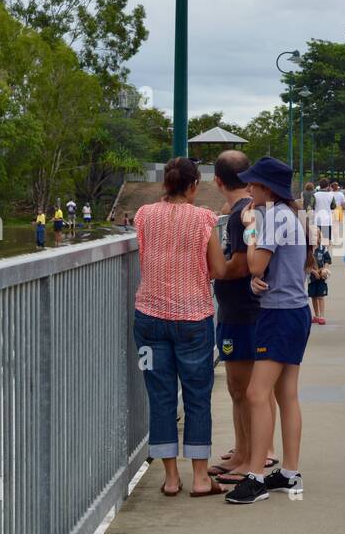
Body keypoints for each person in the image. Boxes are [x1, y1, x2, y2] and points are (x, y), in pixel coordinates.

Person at [133, 156, 229, 497]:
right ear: (193, 186)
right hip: (193, 320)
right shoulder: (205, 218)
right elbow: (217, 269)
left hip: (148, 318)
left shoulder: (144, 215)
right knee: (197, 395)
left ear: (165, 184)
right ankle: (201, 477)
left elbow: (145, 252)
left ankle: (171, 478)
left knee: (158, 396)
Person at [227, 156, 314, 505]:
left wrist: (249, 228)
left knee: (255, 394)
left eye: (253, 184)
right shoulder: (289, 215)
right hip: (294, 311)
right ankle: (289, 473)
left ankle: (256, 476)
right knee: (286, 394)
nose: (248, 189)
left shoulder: (274, 217)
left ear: (267, 188)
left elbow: (254, 264)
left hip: (278, 316)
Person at [207, 150, 275, 486]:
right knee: (238, 389)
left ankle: (250, 457)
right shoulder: (247, 211)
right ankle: (242, 450)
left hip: (243, 312)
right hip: (243, 311)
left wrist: (212, 267)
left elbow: (240, 265)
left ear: (217, 181)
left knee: (243, 388)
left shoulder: (241, 216)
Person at [308, 229, 332, 324]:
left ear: (319, 237)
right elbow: (305, 264)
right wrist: (314, 272)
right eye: (312, 236)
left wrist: (324, 270)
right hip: (311, 277)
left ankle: (322, 316)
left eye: (316, 236)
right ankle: (316, 315)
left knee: (321, 296)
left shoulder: (323, 249)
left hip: (322, 277)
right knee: (313, 296)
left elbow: (327, 260)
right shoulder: (308, 250)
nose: (314, 238)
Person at [312, 178, 337, 244]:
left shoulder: (315, 195)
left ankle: (318, 252)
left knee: (317, 239)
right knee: (326, 240)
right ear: (328, 186)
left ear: (320, 185)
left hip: (317, 219)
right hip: (327, 219)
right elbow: (333, 206)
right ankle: (325, 251)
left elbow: (312, 206)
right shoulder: (331, 195)